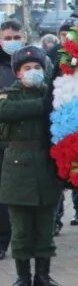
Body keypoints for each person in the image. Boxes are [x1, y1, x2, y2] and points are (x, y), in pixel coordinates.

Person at [0, 46, 63, 286]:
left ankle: (44, 275)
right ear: (18, 73)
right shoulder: (10, 95)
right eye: (27, 68)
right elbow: (5, 112)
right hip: (18, 168)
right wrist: (41, 105)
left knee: (45, 226)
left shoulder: (52, 93)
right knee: (22, 227)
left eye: (37, 67)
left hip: (47, 165)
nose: (33, 72)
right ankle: (23, 276)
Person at [0, 19, 26, 262]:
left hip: (26, 142)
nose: (12, 42)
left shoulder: (37, 63)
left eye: (15, 37)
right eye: (7, 38)